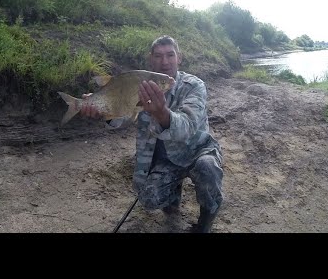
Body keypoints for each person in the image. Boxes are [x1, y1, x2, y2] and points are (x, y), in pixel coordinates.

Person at [80, 35, 223, 233]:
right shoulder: (141, 84)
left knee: (208, 168)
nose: (164, 62)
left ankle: (205, 222)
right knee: (148, 198)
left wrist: (161, 112)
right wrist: (101, 109)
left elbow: (187, 127)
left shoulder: (194, 86)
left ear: (179, 58)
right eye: (158, 56)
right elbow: (121, 118)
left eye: (170, 55)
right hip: (166, 159)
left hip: (197, 152)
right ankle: (173, 195)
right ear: (151, 59)